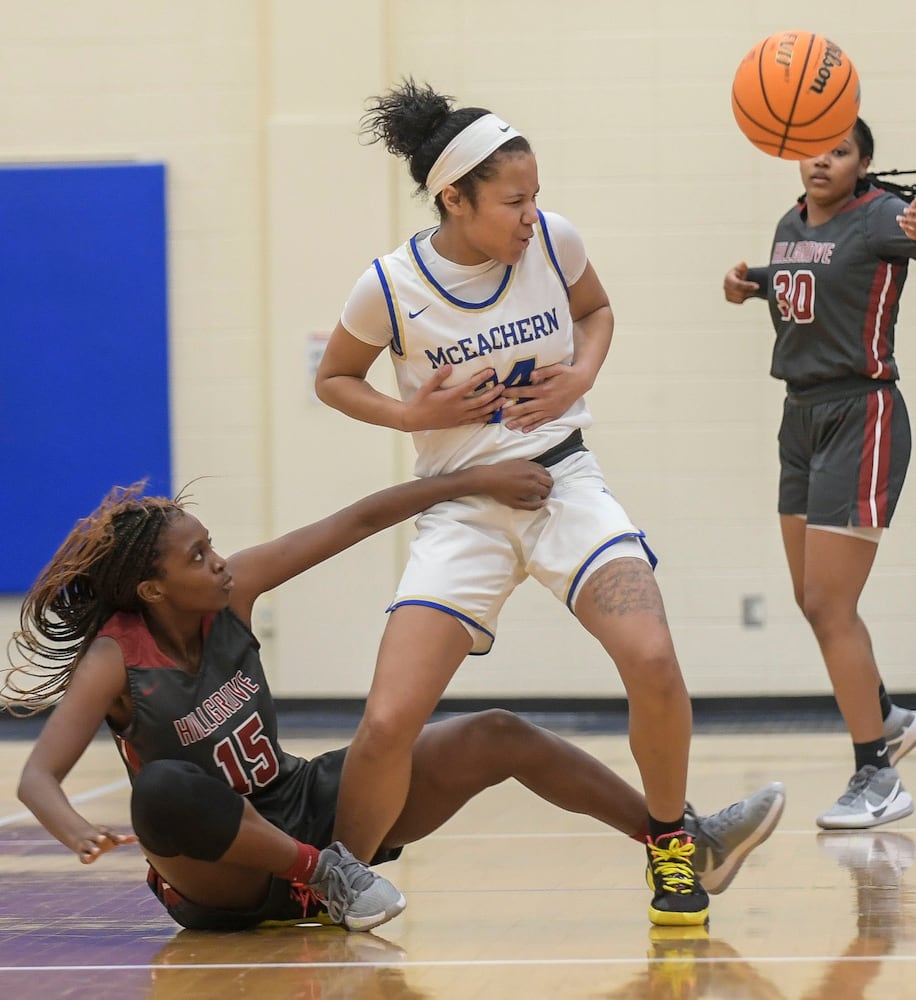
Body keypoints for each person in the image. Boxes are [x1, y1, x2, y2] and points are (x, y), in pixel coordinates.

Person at [3, 468, 785, 935]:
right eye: (198, 556)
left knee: (495, 733)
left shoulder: (232, 597)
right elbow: (38, 777)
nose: (219, 561)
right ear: (152, 588)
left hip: (300, 804)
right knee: (164, 791)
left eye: (211, 545)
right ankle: (326, 879)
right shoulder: (116, 660)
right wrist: (76, 831)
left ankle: (677, 840)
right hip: (221, 875)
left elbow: (360, 519)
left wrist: (473, 481)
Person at [314, 78, 738, 926]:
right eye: (513, 200)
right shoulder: (391, 288)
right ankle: (335, 881)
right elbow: (332, 379)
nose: (531, 214)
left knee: (652, 659)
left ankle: (671, 846)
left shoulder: (555, 242)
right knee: (390, 718)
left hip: (563, 480)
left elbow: (599, 311)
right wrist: (409, 413)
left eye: (536, 195)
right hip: (461, 506)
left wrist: (581, 374)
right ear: (455, 197)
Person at [723, 118, 916, 830]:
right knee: (813, 601)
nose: (822, 161)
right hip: (799, 417)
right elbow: (810, 284)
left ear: (865, 162)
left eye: (839, 151)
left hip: (860, 415)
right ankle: (888, 715)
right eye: (813, 148)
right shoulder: (790, 221)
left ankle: (877, 774)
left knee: (832, 605)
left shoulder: (885, 217)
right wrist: (756, 284)